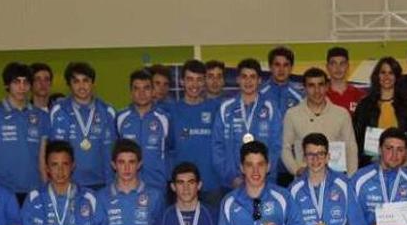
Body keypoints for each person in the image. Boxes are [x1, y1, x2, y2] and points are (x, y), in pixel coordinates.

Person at [0, 62, 49, 206]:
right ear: (7, 85)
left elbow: (42, 159)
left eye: (25, 82)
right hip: (1, 190)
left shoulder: (41, 116)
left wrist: (47, 187)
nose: (22, 87)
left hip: (33, 190)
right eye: (16, 82)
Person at [212, 58, 284, 190]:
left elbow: (276, 146)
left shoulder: (270, 107)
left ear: (259, 80)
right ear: (238, 79)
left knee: (258, 211)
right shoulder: (225, 108)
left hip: (265, 182)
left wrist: (261, 175)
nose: (248, 81)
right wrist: (231, 177)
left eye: (252, 77)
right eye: (244, 77)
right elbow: (217, 146)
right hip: (233, 183)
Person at [49, 62, 117, 190]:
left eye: (85, 80)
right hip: (70, 184)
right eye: (76, 81)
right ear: (69, 85)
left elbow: (111, 151)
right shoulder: (59, 111)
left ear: (93, 83)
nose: (81, 86)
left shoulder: (108, 111)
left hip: (102, 184)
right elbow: (55, 153)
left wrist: (111, 187)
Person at [281, 68, 358, 177]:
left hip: (336, 181)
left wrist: (350, 178)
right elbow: (285, 148)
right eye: (311, 85)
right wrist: (296, 170)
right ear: (304, 88)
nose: (317, 90)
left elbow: (351, 148)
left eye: (320, 85)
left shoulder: (342, 114)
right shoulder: (292, 114)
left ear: (327, 86)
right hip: (304, 182)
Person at [171, 60, 222, 208]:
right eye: (190, 79)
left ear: (205, 81)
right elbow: (167, 148)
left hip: (211, 184)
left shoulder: (217, 109)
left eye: (199, 79)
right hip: (183, 187)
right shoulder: (171, 112)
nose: (194, 84)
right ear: (182, 81)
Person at [353, 57, 407, 167]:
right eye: (383, 72)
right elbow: (357, 137)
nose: (386, 77)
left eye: (391, 73)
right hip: (372, 164)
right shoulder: (365, 105)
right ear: (377, 76)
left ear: (397, 77)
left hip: (402, 164)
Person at [116, 69, 173, 192]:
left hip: (157, 187)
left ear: (153, 91)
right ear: (131, 92)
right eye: (137, 88)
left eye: (146, 88)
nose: (141, 93)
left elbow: (172, 150)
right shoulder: (120, 118)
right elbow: (114, 153)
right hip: (127, 187)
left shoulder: (165, 118)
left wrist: (166, 177)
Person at [261, 46, 305, 113]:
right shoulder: (258, 93)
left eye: (286, 65)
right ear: (270, 67)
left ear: (291, 67)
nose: (281, 70)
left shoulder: (301, 96)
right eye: (277, 65)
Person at [324, 46, 365, 116]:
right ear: (327, 67)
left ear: (348, 66)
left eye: (342, 63)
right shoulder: (320, 96)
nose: (338, 68)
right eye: (333, 64)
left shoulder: (360, 96)